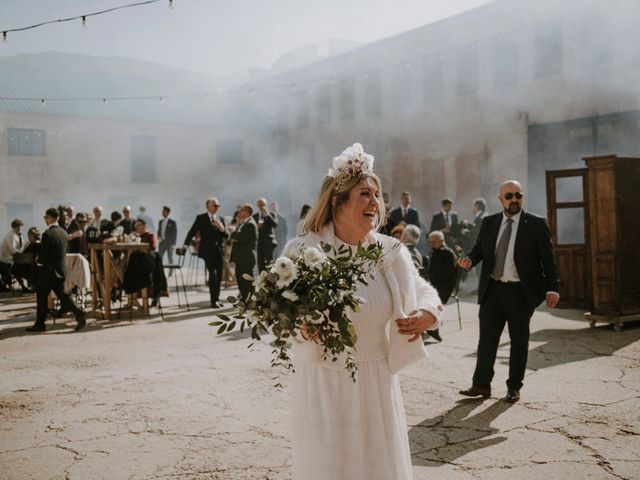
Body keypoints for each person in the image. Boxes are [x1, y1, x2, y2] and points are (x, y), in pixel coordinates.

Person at [285, 143, 442, 480]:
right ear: (337, 201)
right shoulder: (302, 250)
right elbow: (280, 312)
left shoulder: (390, 251)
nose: (374, 203)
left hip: (376, 379)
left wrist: (429, 313)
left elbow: (422, 289)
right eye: (364, 194)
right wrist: (299, 326)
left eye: (376, 195)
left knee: (376, 467)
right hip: (325, 380)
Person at [458, 180, 560, 403]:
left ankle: (514, 387)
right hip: (492, 290)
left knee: (519, 341)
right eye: (509, 196)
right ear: (500, 199)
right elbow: (479, 251)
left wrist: (552, 288)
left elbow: (549, 262)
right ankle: (481, 385)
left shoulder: (535, 224)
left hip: (519, 293)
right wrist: (469, 260)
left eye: (518, 195)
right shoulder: (489, 222)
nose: (514, 199)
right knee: (487, 340)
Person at [26, 208, 86, 332]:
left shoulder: (47, 234)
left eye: (45, 218)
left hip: (47, 271)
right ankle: (79, 313)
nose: (45, 220)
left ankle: (40, 324)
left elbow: (44, 254)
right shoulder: (63, 232)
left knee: (41, 297)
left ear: (49, 218)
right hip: (60, 270)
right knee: (64, 296)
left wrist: (38, 261)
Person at [183, 197, 228, 308]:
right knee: (212, 274)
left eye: (218, 206)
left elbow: (226, 235)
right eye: (215, 205)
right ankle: (214, 301)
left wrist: (221, 227)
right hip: (207, 251)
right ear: (208, 206)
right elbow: (192, 231)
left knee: (219, 276)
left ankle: (217, 298)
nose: (217, 208)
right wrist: (185, 244)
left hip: (219, 251)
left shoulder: (220, 219)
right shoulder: (201, 218)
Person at [425, 230, 458, 342]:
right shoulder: (434, 251)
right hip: (434, 285)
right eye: (429, 242)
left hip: (444, 287)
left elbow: (448, 275)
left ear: (441, 241)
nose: (431, 244)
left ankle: (432, 328)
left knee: (429, 299)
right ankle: (428, 327)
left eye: (433, 241)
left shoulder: (447, 253)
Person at [230, 204, 257, 302]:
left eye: (242, 211)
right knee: (240, 280)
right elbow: (237, 238)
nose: (240, 213)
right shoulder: (243, 223)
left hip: (246, 257)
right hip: (240, 258)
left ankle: (250, 300)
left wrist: (233, 233)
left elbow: (241, 238)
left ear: (247, 212)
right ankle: (244, 299)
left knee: (247, 281)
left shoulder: (250, 224)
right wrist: (236, 237)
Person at [0, 219, 26, 291]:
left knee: (16, 270)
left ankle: (22, 286)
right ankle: (9, 285)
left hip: (11, 258)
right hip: (5, 259)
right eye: (19, 227)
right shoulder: (11, 236)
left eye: (21, 227)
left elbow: (21, 246)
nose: (21, 228)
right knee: (15, 271)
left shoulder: (18, 234)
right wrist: (21, 254)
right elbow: (13, 249)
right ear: (15, 227)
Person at [253, 198, 278, 272]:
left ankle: (271, 280)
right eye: (260, 205)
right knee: (260, 262)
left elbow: (275, 225)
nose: (262, 206)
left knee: (270, 262)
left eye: (263, 205)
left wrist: (267, 214)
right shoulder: (255, 216)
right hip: (259, 243)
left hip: (269, 243)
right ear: (257, 205)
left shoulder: (271, 214)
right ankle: (262, 280)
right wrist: (257, 227)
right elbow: (252, 229)